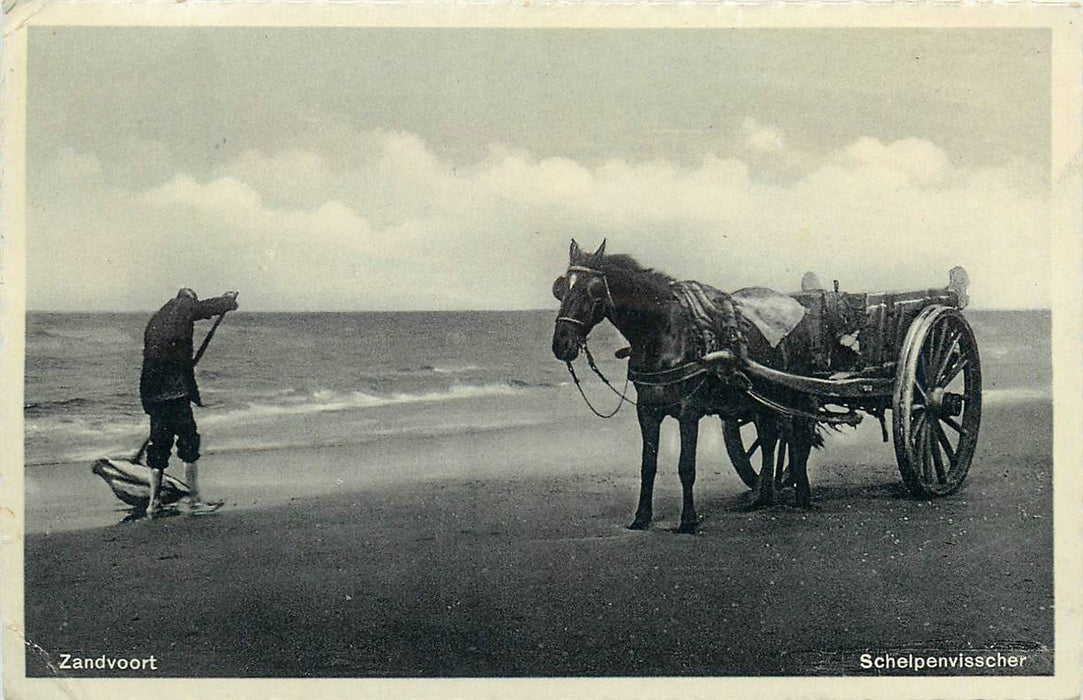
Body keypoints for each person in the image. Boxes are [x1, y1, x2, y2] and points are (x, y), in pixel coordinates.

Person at [140, 288, 239, 518]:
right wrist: (228, 301)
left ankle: (153, 504)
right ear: (189, 298)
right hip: (175, 391)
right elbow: (204, 309)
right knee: (189, 443)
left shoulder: (158, 316)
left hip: (152, 391)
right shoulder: (183, 306)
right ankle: (194, 501)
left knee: (158, 446)